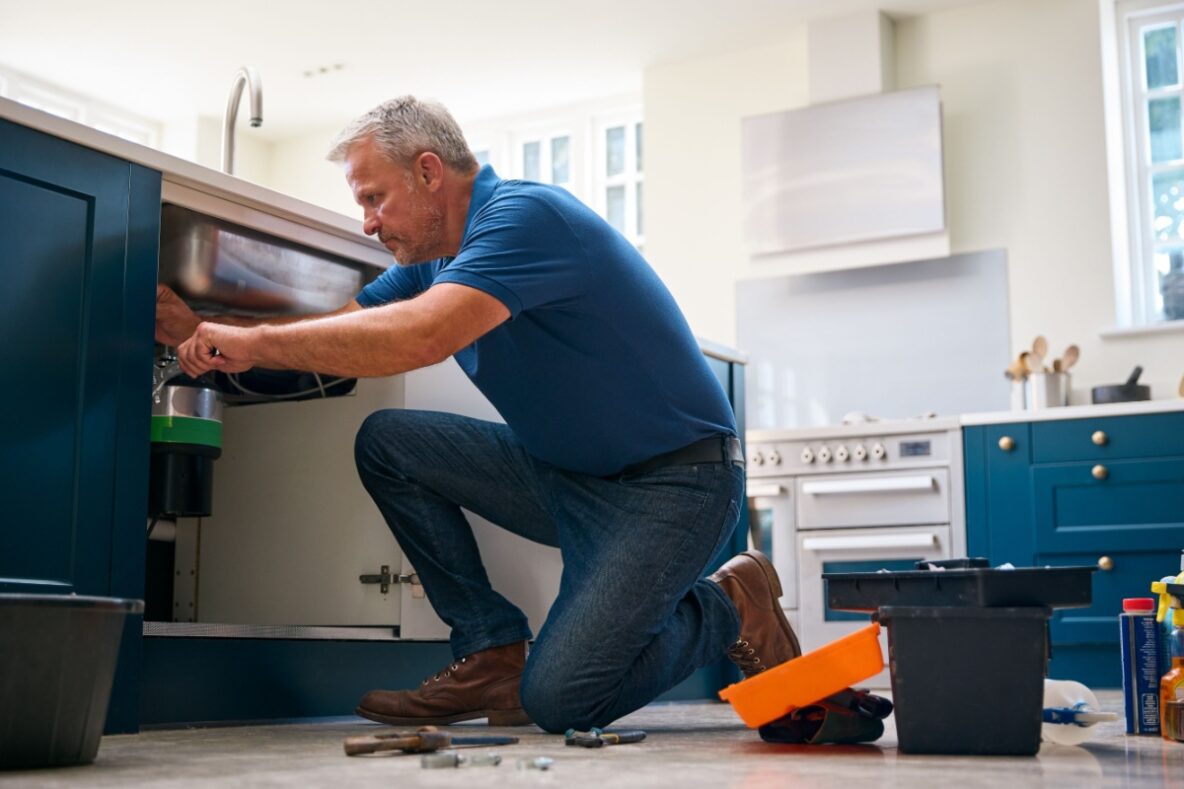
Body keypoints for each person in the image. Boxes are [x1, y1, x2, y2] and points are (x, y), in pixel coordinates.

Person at [156, 95, 801, 733]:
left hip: (676, 485)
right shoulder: (432, 263)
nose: (368, 224)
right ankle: (490, 650)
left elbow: (421, 338)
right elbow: (342, 340)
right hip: (570, 479)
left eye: (375, 198)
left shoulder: (527, 218)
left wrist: (254, 340)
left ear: (429, 172)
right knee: (389, 443)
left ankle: (732, 601)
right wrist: (211, 332)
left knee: (560, 701)